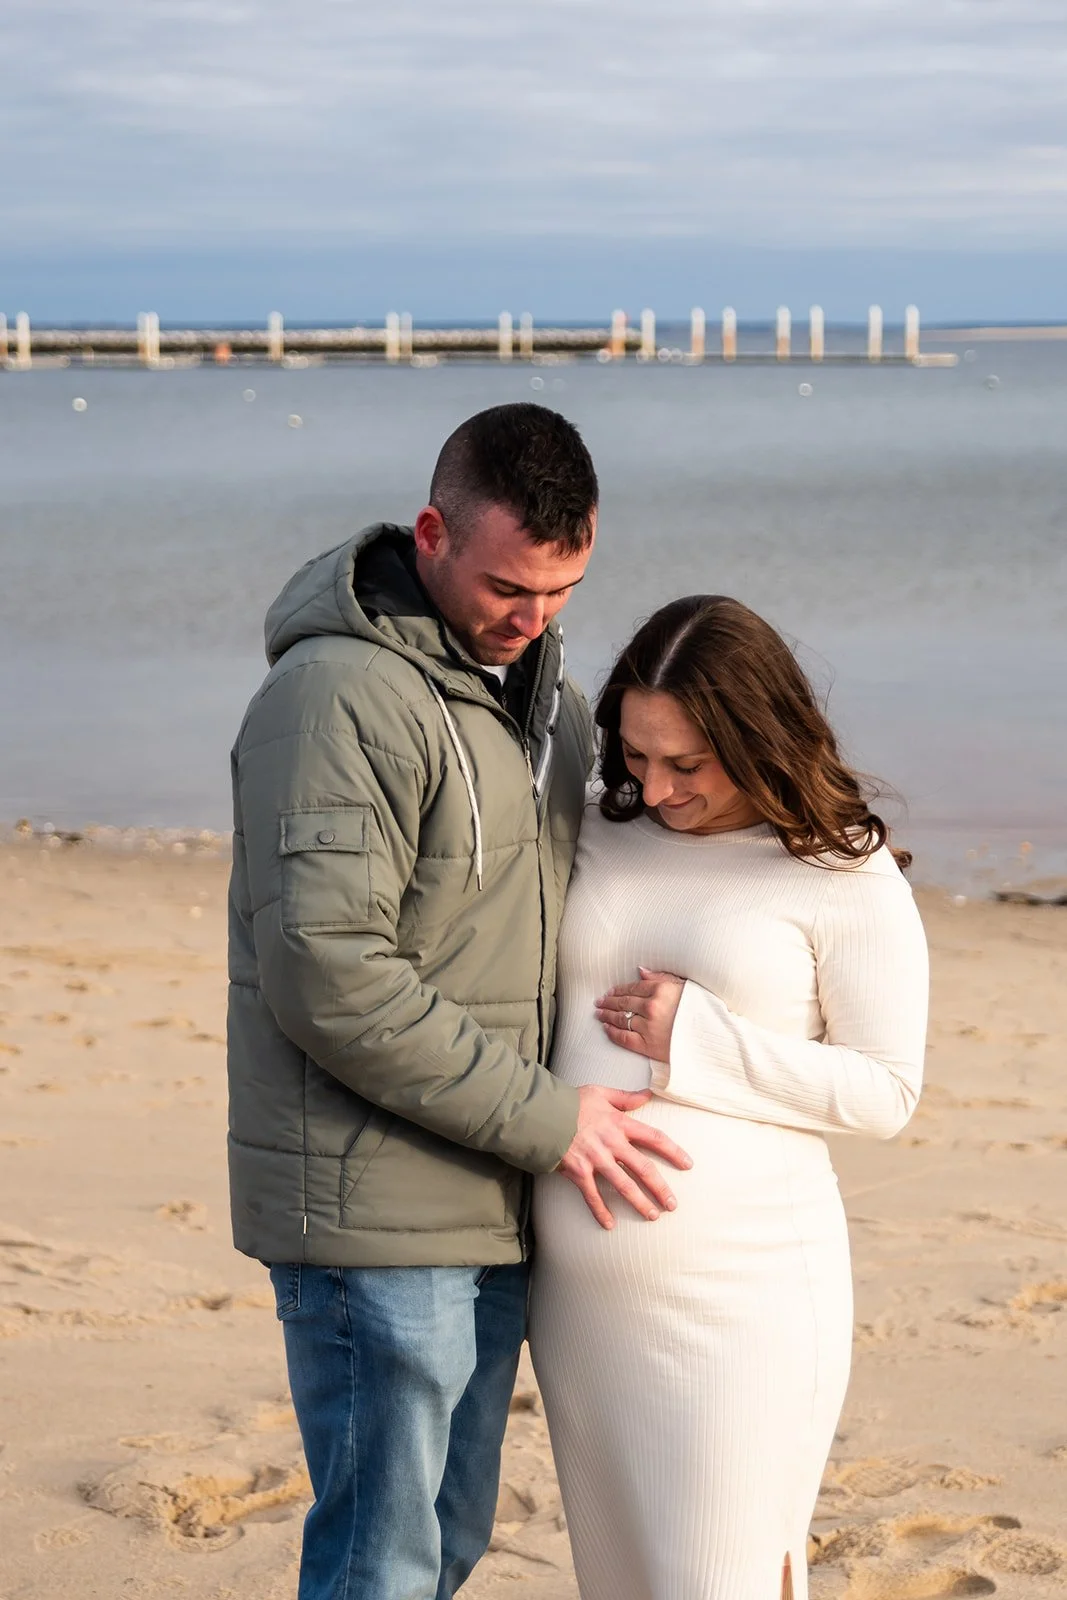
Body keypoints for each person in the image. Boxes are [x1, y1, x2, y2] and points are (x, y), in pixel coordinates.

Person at [226, 403, 690, 1600]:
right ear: (430, 532)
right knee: (380, 1562)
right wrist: (556, 1121)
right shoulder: (336, 699)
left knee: (445, 1543)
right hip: (374, 1206)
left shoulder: (540, 695)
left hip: (486, 1193)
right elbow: (330, 974)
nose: (533, 619)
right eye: (507, 588)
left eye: (562, 589)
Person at [529, 594, 929, 1600]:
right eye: (634, 754)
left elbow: (884, 1092)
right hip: (580, 1302)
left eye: (686, 764)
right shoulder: (602, 828)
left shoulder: (842, 872)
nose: (653, 787)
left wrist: (698, 1042)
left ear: (756, 737)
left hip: (740, 1298)